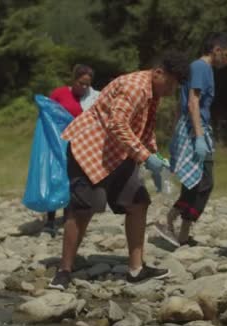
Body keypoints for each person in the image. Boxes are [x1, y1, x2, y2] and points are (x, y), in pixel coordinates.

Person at [47, 51, 190, 290]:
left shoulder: (153, 92)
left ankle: (136, 269)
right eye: (172, 84)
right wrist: (145, 156)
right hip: (90, 150)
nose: (172, 90)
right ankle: (64, 271)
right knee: (83, 208)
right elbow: (118, 124)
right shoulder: (134, 87)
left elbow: (144, 128)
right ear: (158, 73)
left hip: (119, 153)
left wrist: (153, 156)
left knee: (138, 202)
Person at [154, 33, 227, 247]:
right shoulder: (200, 67)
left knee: (197, 181)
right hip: (194, 129)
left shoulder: (204, 70)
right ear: (216, 49)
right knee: (204, 181)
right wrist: (199, 137)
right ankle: (171, 218)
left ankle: (182, 232)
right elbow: (193, 102)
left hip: (196, 127)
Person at [44, 65, 100, 236]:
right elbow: (47, 114)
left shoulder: (91, 98)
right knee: (55, 179)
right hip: (58, 143)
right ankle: (50, 220)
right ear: (73, 80)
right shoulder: (60, 93)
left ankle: (70, 218)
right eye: (81, 83)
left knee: (74, 181)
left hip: (79, 145)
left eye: (87, 85)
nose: (83, 87)